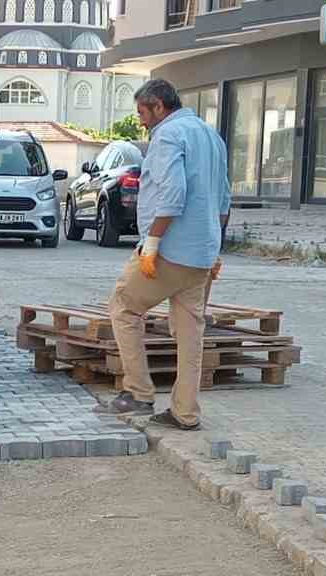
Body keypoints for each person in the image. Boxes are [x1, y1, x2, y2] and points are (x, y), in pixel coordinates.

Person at [98, 78, 230, 430]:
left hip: (169, 250)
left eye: (142, 112)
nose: (140, 120)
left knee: (123, 307)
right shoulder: (211, 136)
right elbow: (224, 199)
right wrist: (215, 247)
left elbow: (173, 193)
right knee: (190, 333)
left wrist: (153, 243)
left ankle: (139, 393)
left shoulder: (168, 136)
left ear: (159, 106)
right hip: (201, 254)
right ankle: (185, 413)